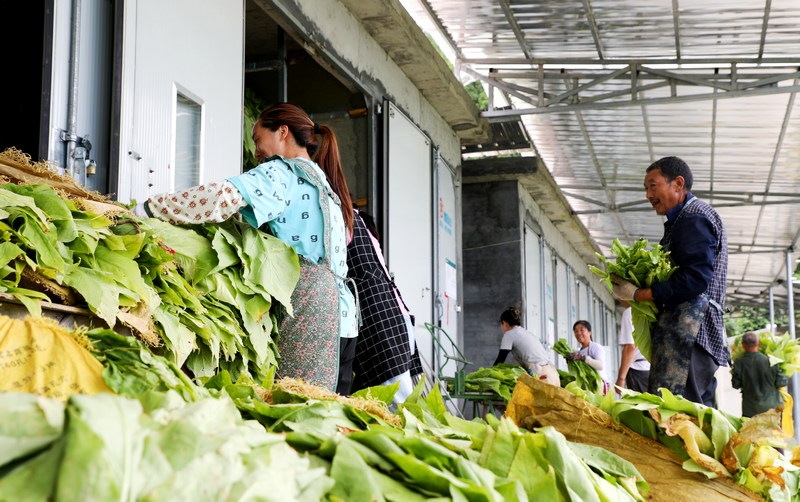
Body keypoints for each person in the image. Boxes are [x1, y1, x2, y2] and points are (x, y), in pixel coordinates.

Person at [140, 102, 358, 392]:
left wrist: (151, 209)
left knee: (296, 410)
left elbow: (221, 197)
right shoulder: (325, 184)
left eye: (257, 139)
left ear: (282, 132)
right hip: (344, 318)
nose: (256, 151)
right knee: (330, 420)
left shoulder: (282, 172)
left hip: (309, 312)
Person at [610, 156, 728, 406]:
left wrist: (639, 294)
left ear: (677, 183)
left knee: (679, 414)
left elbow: (695, 279)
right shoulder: (684, 219)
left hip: (692, 333)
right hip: (691, 334)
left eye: (653, 185)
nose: (648, 195)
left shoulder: (693, 217)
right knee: (694, 414)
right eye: (645, 188)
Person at [345, 205, 417, 404]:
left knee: (394, 401)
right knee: (384, 398)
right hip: (399, 320)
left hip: (383, 325)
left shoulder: (350, 223)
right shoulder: (366, 234)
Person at [493, 307, 560, 386]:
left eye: (501, 324)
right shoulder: (524, 332)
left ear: (504, 323)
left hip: (541, 376)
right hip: (552, 373)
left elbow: (501, 359)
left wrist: (490, 373)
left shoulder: (509, 334)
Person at [731, 332, 788, 417]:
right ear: (759, 343)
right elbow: (782, 382)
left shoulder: (739, 363)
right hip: (772, 408)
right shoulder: (771, 361)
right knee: (774, 430)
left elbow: (735, 385)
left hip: (750, 410)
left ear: (743, 345)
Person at [615, 301, 650, 393]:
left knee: (639, 405)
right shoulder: (652, 310)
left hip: (638, 370)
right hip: (654, 368)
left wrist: (621, 378)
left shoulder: (630, 312)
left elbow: (630, 347)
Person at [567, 320, 608, 389]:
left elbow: (601, 366)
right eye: (576, 331)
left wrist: (584, 358)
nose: (579, 333)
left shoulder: (595, 347)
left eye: (582, 330)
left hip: (599, 386)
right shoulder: (579, 352)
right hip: (587, 387)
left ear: (589, 332)